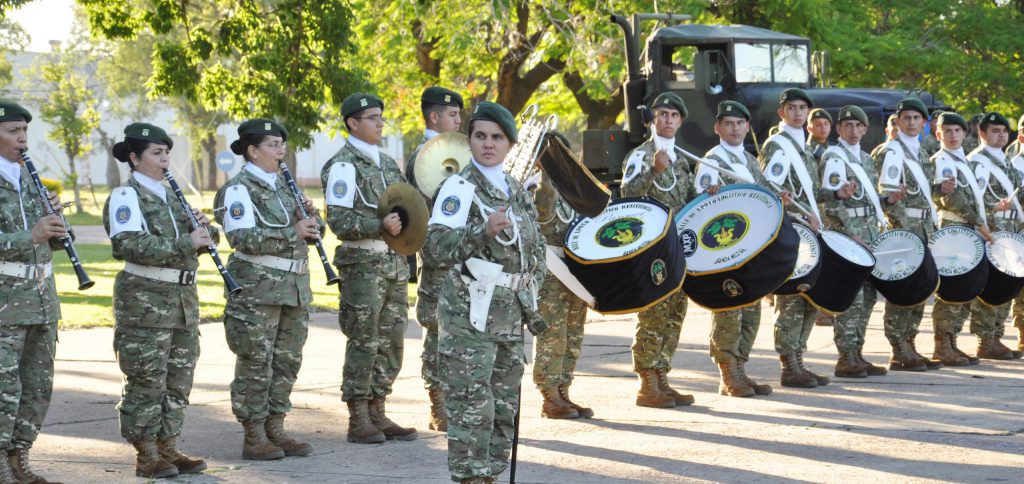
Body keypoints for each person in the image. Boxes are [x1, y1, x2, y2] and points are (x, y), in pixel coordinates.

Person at [422, 102, 547, 484]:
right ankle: (472, 478)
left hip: (509, 318)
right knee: (472, 408)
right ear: (470, 140)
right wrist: (483, 231)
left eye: (496, 137)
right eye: (480, 136)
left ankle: (490, 475)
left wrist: (531, 287)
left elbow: (535, 247)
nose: (487, 144)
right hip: (469, 319)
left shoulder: (514, 187)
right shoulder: (458, 187)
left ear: (510, 144)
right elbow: (436, 247)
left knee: (504, 408)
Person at [103, 123, 211, 478]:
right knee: (146, 380)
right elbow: (130, 246)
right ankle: (146, 452)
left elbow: (193, 245)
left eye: (167, 153)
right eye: (156, 153)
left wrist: (206, 234)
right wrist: (186, 243)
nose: (165, 160)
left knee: (178, 380)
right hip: (146, 303)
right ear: (134, 158)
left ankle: (168, 447)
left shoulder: (171, 196)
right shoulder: (126, 197)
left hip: (182, 302)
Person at [214, 119, 318, 460]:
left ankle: (276, 428)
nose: (280, 150)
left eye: (281, 144)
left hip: (294, 287)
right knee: (256, 362)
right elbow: (241, 238)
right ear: (253, 151)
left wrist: (315, 222)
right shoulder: (238, 190)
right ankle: (254, 434)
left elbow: (311, 232)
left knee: (287, 361)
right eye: (272, 145)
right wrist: (294, 232)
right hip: (257, 289)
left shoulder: (287, 187)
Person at [321, 93, 416, 443]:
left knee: (391, 338)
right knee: (364, 338)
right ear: (352, 123)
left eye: (381, 116)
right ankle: (358, 417)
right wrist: (378, 226)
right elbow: (339, 220)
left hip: (392, 261)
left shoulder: (387, 163)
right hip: (362, 263)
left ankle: (379, 409)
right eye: (372, 117)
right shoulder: (344, 165)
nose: (380, 122)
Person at [0, 100, 65, 484]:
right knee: (3, 387)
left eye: (24, 131)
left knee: (37, 386)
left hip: (41, 298)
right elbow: (26, 236)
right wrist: (32, 234)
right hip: (5, 301)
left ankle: (19, 457)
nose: (22, 139)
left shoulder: (30, 177)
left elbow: (50, 240)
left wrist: (59, 229)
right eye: (13, 131)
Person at [620, 92, 699, 408]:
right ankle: (647, 381)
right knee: (653, 311)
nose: (667, 120)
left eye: (673, 115)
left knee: (675, 311)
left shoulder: (681, 157)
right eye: (661, 114)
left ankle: (662, 375)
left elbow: (686, 200)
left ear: (680, 121)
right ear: (653, 119)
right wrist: (652, 170)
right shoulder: (642, 155)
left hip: (677, 246)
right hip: (652, 247)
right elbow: (626, 193)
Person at [694, 100, 773, 397]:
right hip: (725, 250)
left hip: (752, 248)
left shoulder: (750, 160)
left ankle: (741, 368)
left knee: (750, 310)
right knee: (729, 309)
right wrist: (709, 195)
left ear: (748, 127)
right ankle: (728, 373)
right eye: (728, 123)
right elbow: (699, 207)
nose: (735, 128)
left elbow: (764, 193)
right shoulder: (711, 161)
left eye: (740, 123)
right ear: (718, 128)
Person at [758, 88, 830, 388]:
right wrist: (784, 201)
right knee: (789, 299)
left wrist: (837, 194)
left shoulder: (803, 147)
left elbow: (809, 192)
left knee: (807, 296)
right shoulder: (778, 146)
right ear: (782, 113)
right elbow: (766, 186)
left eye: (802, 108)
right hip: (790, 230)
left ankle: (799, 360)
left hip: (810, 230)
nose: (798, 113)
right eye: (792, 108)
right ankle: (788, 365)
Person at [873, 97, 948, 371]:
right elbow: (886, 196)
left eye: (917, 119)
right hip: (903, 229)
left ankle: (910, 343)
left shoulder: (920, 152)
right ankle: (898, 348)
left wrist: (941, 189)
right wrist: (903, 231)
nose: (912, 123)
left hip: (925, 227)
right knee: (902, 288)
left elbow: (922, 191)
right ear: (898, 121)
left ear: (925, 123)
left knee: (921, 288)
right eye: (907, 118)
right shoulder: (889, 152)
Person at [818, 106, 894, 378]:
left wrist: (888, 201)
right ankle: (846, 356)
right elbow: (831, 202)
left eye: (857, 125)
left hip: (869, 232)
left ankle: (858, 353)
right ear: (839, 129)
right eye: (846, 125)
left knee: (868, 297)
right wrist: (850, 233)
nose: (852, 130)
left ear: (864, 129)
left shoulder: (865, 158)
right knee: (852, 296)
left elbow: (867, 200)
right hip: (848, 235)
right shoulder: (833, 157)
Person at [407, 86, 464, 431]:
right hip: (437, 255)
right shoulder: (424, 157)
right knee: (436, 328)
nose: (459, 119)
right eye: (453, 114)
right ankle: (438, 404)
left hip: (461, 254)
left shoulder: (457, 152)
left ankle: (456, 398)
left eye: (459, 113)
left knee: (460, 329)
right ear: (434, 117)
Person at [532, 134, 592, 417]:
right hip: (550, 270)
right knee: (552, 333)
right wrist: (546, 175)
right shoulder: (536, 187)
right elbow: (544, 213)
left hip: (575, 268)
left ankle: (564, 391)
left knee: (573, 331)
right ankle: (549, 395)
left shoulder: (573, 189)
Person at [930, 112, 989, 365]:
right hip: (953, 228)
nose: (953, 136)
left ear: (966, 134)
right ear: (938, 134)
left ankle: (952, 341)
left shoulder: (962, 161)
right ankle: (942, 345)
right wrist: (979, 222)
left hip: (967, 230)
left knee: (965, 289)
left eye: (957, 131)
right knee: (951, 289)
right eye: (947, 131)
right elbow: (950, 198)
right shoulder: (942, 160)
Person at [964, 112, 1023, 360]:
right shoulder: (978, 161)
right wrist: (992, 209)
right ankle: (985, 339)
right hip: (992, 231)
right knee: (991, 286)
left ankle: (996, 336)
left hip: (1010, 230)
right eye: (995, 131)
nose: (1000, 135)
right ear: (982, 133)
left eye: (1003, 131)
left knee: (1005, 284)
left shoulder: (1004, 161)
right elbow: (973, 199)